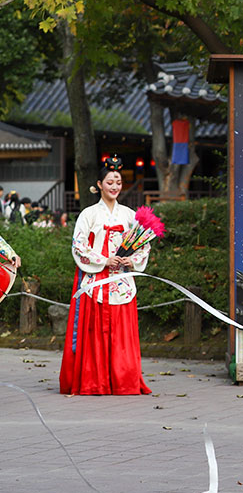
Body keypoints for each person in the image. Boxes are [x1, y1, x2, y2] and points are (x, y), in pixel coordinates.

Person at [59, 155, 153, 395]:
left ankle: (124, 381)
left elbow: (144, 245)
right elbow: (78, 246)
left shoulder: (130, 215)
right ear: (99, 184)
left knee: (122, 333)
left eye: (118, 182)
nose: (115, 186)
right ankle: (95, 381)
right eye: (110, 182)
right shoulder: (88, 214)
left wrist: (130, 260)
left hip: (121, 279)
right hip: (97, 280)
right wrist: (103, 260)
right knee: (95, 334)